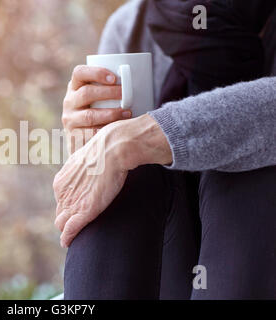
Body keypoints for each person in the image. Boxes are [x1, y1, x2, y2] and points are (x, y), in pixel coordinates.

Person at [53, 0, 276, 299]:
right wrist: (86, 140)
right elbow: (99, 173)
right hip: (171, 259)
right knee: (121, 182)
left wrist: (145, 137)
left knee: (251, 164)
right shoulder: (129, 25)